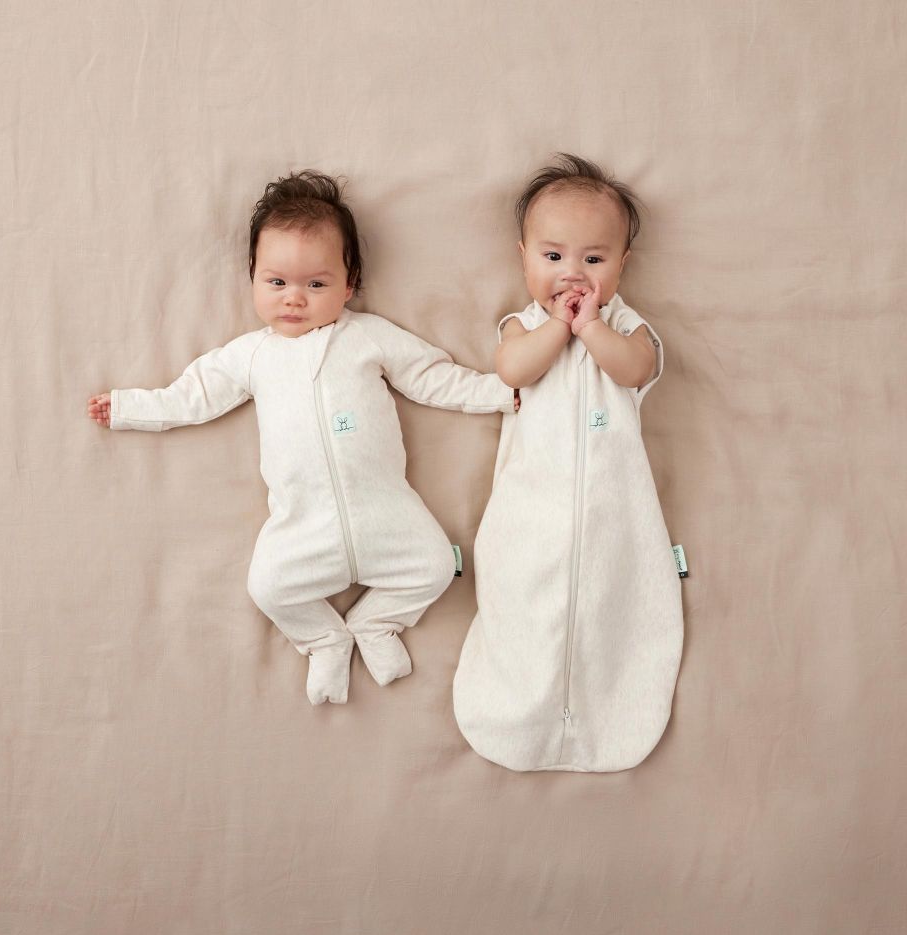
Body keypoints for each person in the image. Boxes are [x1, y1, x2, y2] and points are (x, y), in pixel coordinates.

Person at [87, 170, 516, 706]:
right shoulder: (251, 355)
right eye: (277, 283)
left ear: (348, 282)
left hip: (386, 511)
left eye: (316, 284)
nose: (295, 299)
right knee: (268, 586)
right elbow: (191, 396)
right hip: (302, 523)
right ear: (253, 278)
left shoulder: (367, 337)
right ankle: (323, 639)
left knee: (435, 566)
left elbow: (434, 377)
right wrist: (128, 406)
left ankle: (376, 624)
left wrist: (503, 393)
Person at [453, 153, 685, 772]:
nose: (572, 274)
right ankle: (518, 707)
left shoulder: (627, 326)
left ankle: (607, 710)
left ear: (621, 264)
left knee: (609, 601)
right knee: (529, 605)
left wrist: (591, 331)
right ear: (524, 256)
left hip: (614, 513)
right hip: (532, 514)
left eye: (594, 259)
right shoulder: (522, 326)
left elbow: (637, 370)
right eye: (552, 257)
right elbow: (513, 370)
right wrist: (558, 328)